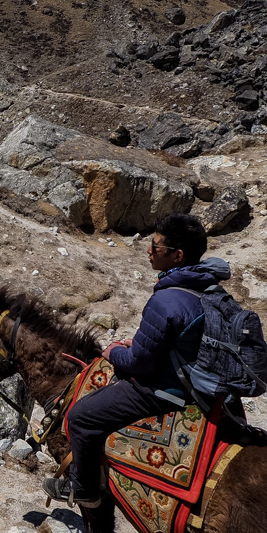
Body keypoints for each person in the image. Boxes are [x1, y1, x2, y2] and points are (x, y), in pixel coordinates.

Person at [44, 212, 232, 507]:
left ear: (177, 256)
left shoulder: (166, 299)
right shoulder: (209, 289)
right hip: (202, 382)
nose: (149, 251)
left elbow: (139, 364)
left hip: (167, 391)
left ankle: (82, 488)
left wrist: (112, 352)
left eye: (156, 246)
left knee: (80, 416)